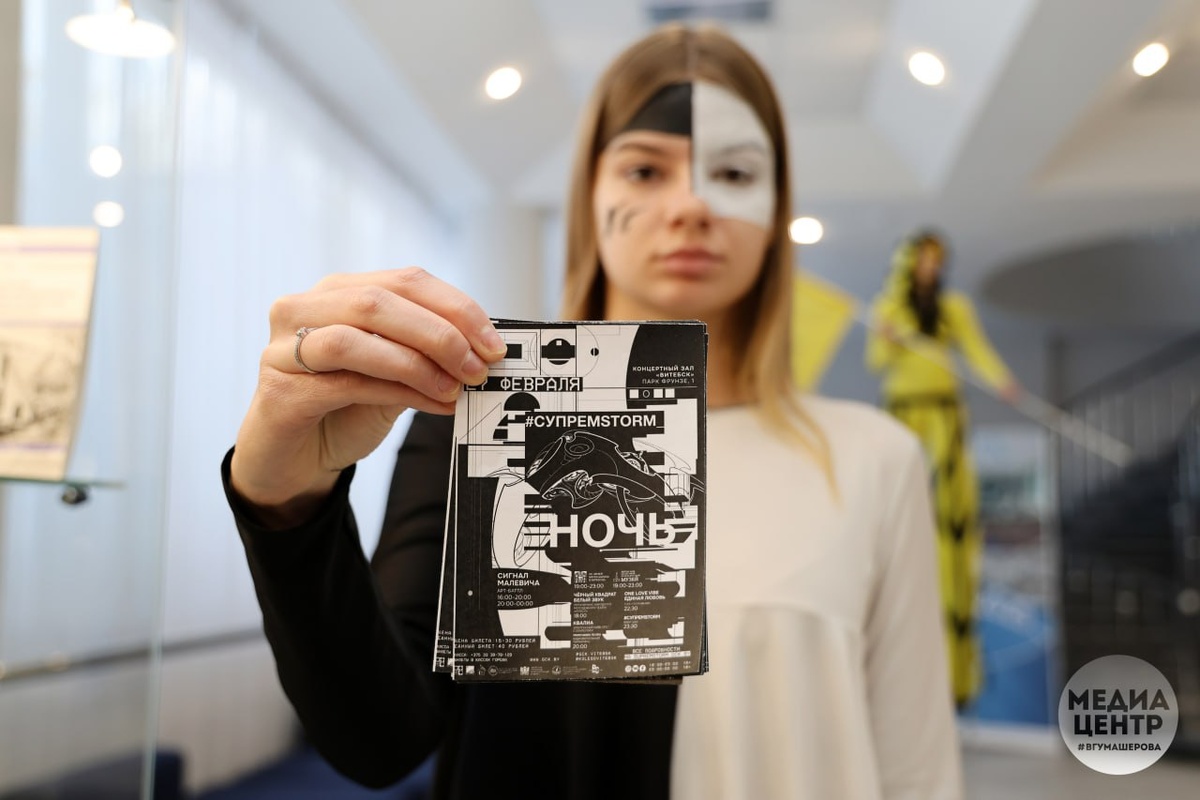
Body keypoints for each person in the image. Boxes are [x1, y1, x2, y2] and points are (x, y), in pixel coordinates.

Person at [225, 24, 963, 800]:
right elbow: (381, 738)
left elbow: (914, 765)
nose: (691, 204)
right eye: (645, 169)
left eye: (734, 172)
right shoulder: (485, 421)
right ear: (590, 194)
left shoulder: (872, 458)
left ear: (777, 204)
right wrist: (285, 501)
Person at [865, 229, 1020, 709]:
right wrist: (888, 338)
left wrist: (1001, 381)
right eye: (924, 258)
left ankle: (958, 668)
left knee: (952, 518)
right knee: (903, 511)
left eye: (937, 259)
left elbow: (976, 349)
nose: (931, 266)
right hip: (904, 412)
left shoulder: (954, 308)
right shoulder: (888, 307)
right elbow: (876, 361)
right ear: (909, 261)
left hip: (944, 412)